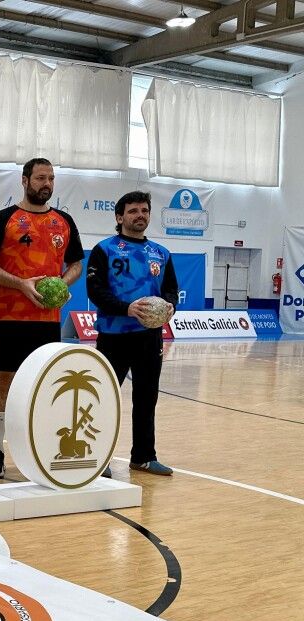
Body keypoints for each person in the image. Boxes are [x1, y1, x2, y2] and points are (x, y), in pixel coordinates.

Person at [0, 158, 82, 478]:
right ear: (25, 181)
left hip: (48, 321)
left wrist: (61, 284)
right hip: (11, 317)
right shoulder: (4, 218)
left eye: (50, 178)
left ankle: (40, 448)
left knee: (45, 386)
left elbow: (77, 263)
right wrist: (20, 284)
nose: (46, 183)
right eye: (40, 178)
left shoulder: (64, 221)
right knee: (4, 384)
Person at [86, 191, 178, 478]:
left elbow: (171, 290)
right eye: (133, 210)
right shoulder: (106, 249)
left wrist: (170, 306)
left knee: (147, 397)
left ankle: (143, 457)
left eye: (144, 210)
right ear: (119, 217)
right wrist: (126, 308)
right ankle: (100, 459)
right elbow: (95, 291)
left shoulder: (161, 253)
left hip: (149, 338)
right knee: (105, 397)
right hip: (114, 335)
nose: (140, 215)